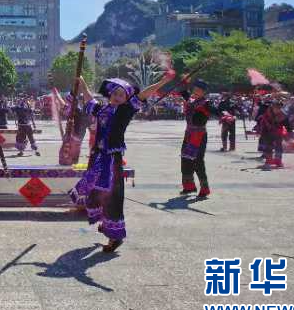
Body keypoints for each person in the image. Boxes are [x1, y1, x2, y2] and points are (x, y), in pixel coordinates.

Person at [69, 73, 173, 253]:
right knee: (95, 192)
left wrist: (162, 82)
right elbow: (88, 97)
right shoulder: (100, 109)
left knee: (112, 196)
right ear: (110, 94)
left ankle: (115, 236)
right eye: (115, 93)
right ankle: (105, 223)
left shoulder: (126, 110)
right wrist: (82, 82)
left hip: (112, 160)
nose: (118, 97)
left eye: (122, 95)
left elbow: (143, 94)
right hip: (97, 157)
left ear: (126, 99)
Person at [179, 79, 217, 197]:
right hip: (189, 135)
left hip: (199, 136)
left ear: (204, 92)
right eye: (194, 89)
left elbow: (216, 111)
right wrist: (184, 81)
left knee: (197, 162)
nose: (195, 91)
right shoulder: (191, 101)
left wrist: (226, 115)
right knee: (185, 160)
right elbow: (182, 91)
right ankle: (189, 186)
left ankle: (205, 188)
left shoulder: (206, 103)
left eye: (199, 90)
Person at [256, 100, 294, 169]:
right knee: (268, 147)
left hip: (278, 133)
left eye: (279, 108)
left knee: (278, 147)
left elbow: (288, 126)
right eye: (276, 108)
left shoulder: (283, 115)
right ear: (272, 107)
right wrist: (262, 133)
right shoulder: (267, 114)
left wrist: (290, 136)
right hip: (267, 132)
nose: (277, 109)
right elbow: (263, 123)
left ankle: (278, 161)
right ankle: (268, 161)